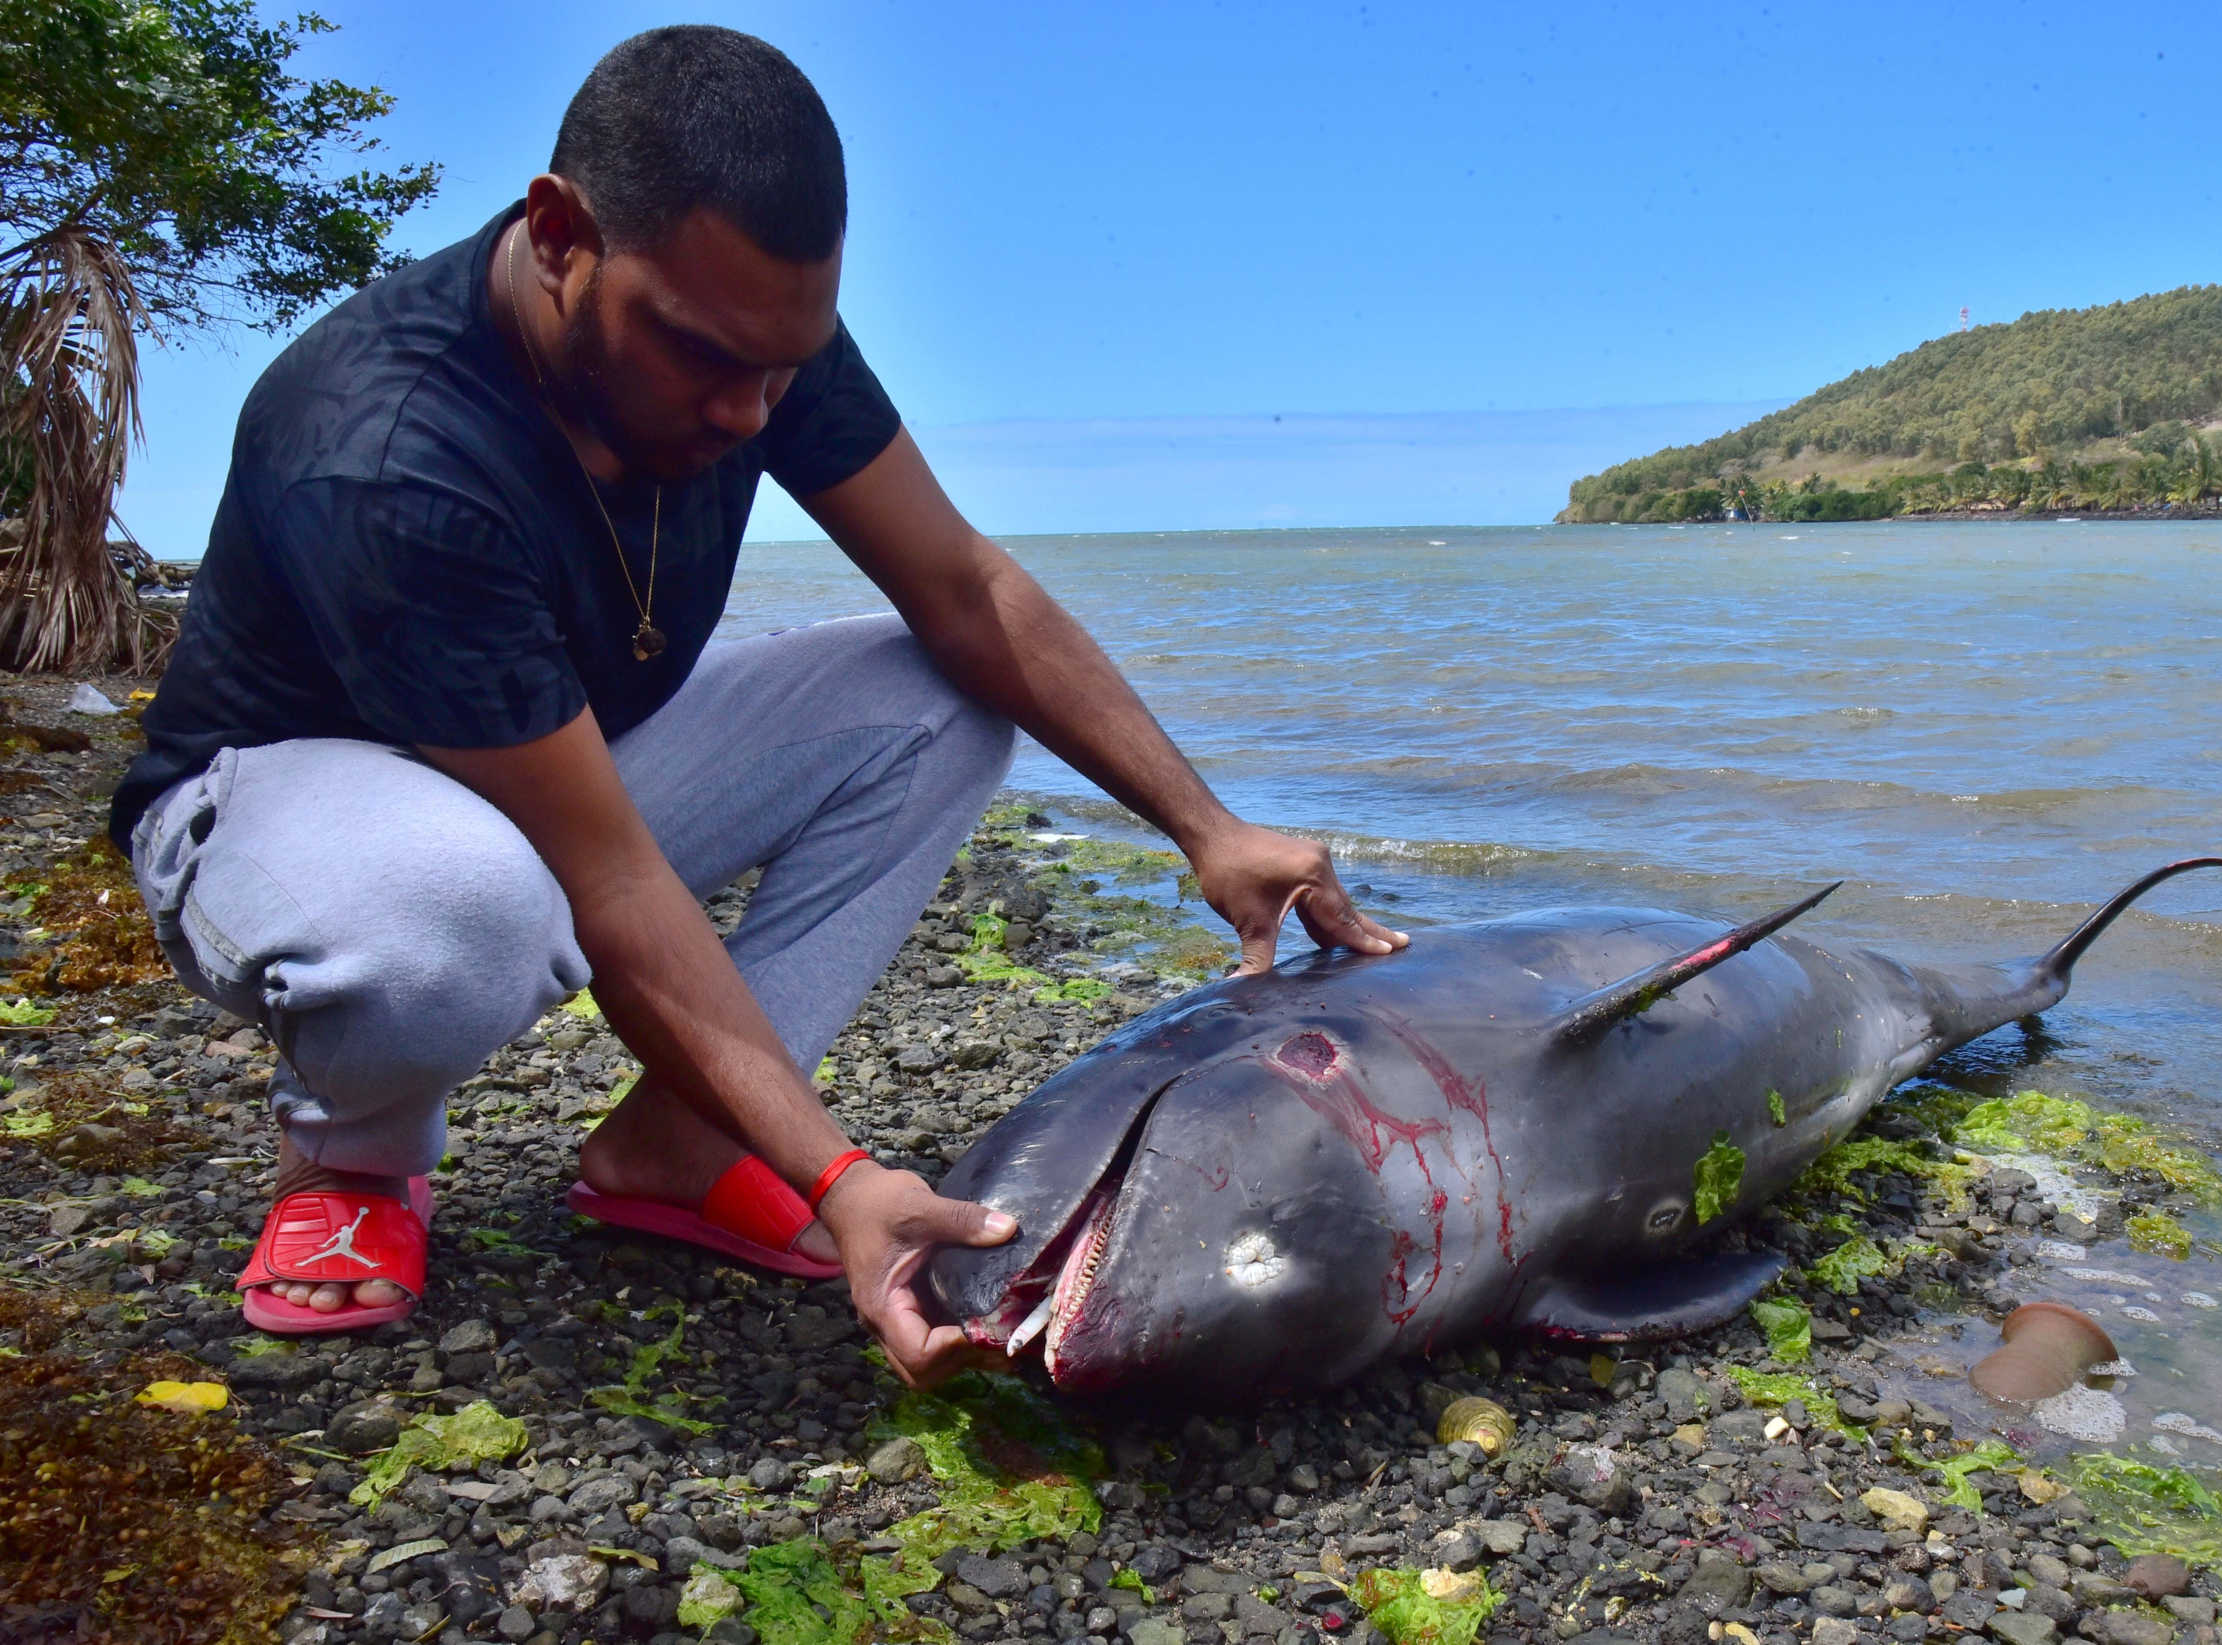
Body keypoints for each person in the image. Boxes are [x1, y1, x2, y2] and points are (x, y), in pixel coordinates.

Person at [109, 24, 1406, 1388]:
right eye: (706, 359)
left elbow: (963, 587)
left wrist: (1205, 824)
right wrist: (844, 1176)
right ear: (560, 234)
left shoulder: (749, 332)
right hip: (280, 809)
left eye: (782, 368)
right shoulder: (389, 453)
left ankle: (680, 1142)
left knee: (939, 699)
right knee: (470, 909)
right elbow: (602, 880)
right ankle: (349, 1156)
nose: (747, 411)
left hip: (550, 764)